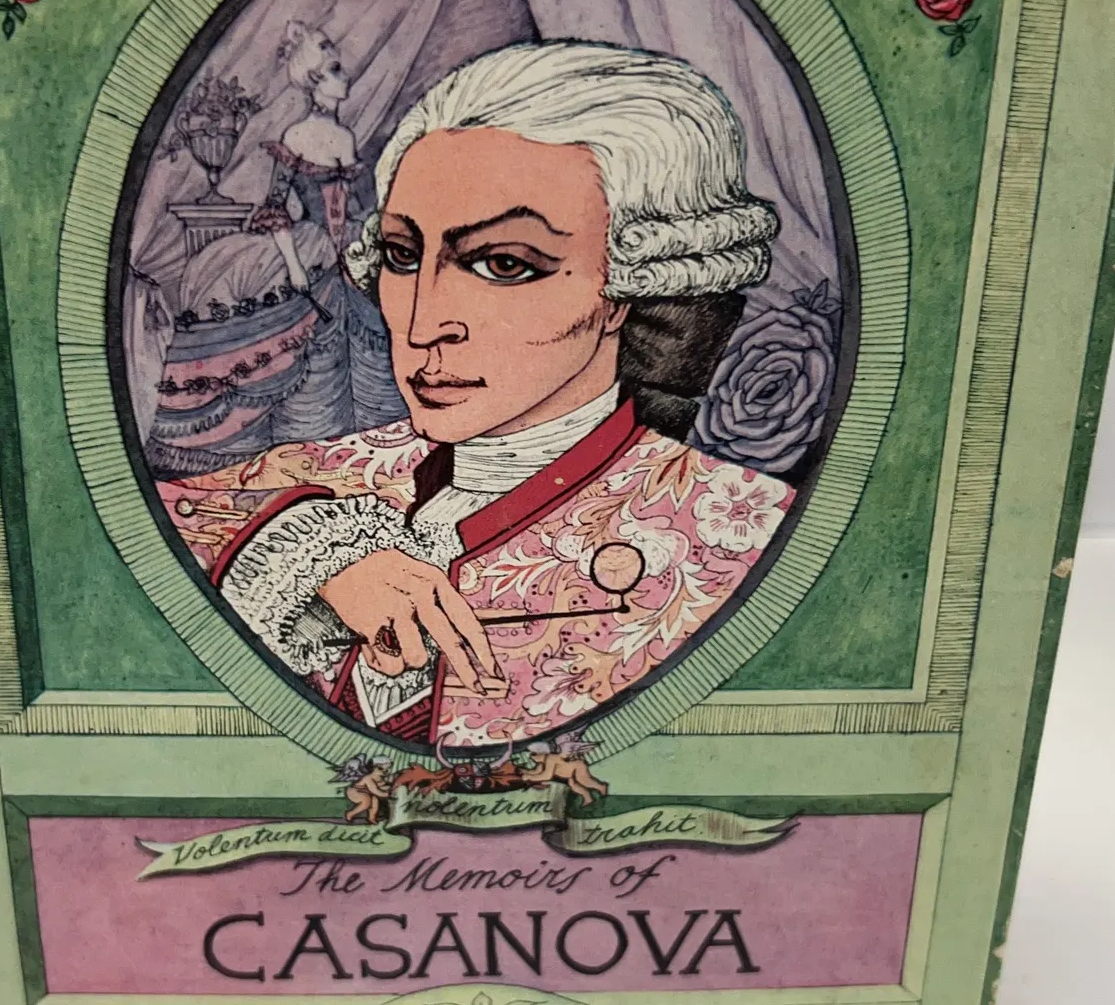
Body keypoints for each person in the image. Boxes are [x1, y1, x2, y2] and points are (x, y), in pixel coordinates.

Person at [159, 40, 797, 748]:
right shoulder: (312, 483)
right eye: (402, 256)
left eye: (503, 264)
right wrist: (303, 556)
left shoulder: (739, 535)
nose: (423, 322)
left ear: (628, 285)